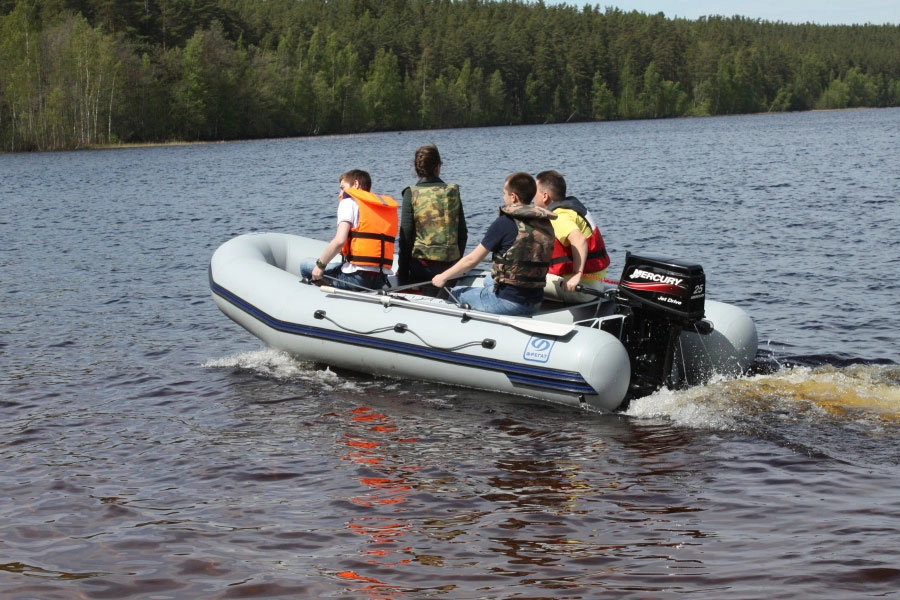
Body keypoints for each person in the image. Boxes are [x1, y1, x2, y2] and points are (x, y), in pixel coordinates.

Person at [431, 172, 556, 316]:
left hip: (509, 303)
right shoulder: (544, 224)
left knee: (455, 293)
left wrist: (442, 277)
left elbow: (471, 261)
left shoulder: (505, 223)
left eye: (504, 193)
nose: (503, 197)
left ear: (513, 197)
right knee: (489, 280)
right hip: (535, 301)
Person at [301, 169, 399, 290]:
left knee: (305, 265)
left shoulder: (348, 202)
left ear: (356, 185)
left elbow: (339, 241)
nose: (340, 194)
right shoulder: (382, 209)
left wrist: (320, 266)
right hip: (380, 279)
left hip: (356, 279)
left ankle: (330, 297)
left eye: (342, 188)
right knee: (337, 266)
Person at [533, 170, 611, 303]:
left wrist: (577, 275)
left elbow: (579, 240)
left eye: (535, 192)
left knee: (507, 279)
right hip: (594, 283)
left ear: (545, 196)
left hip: (582, 288)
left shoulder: (559, 216)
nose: (532, 196)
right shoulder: (570, 209)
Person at [397, 144, 468, 287]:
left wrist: (403, 272)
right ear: (438, 167)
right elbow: (463, 234)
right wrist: (456, 265)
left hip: (421, 268)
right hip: (450, 267)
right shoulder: (452, 192)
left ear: (417, 169)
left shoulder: (411, 193)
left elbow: (406, 237)